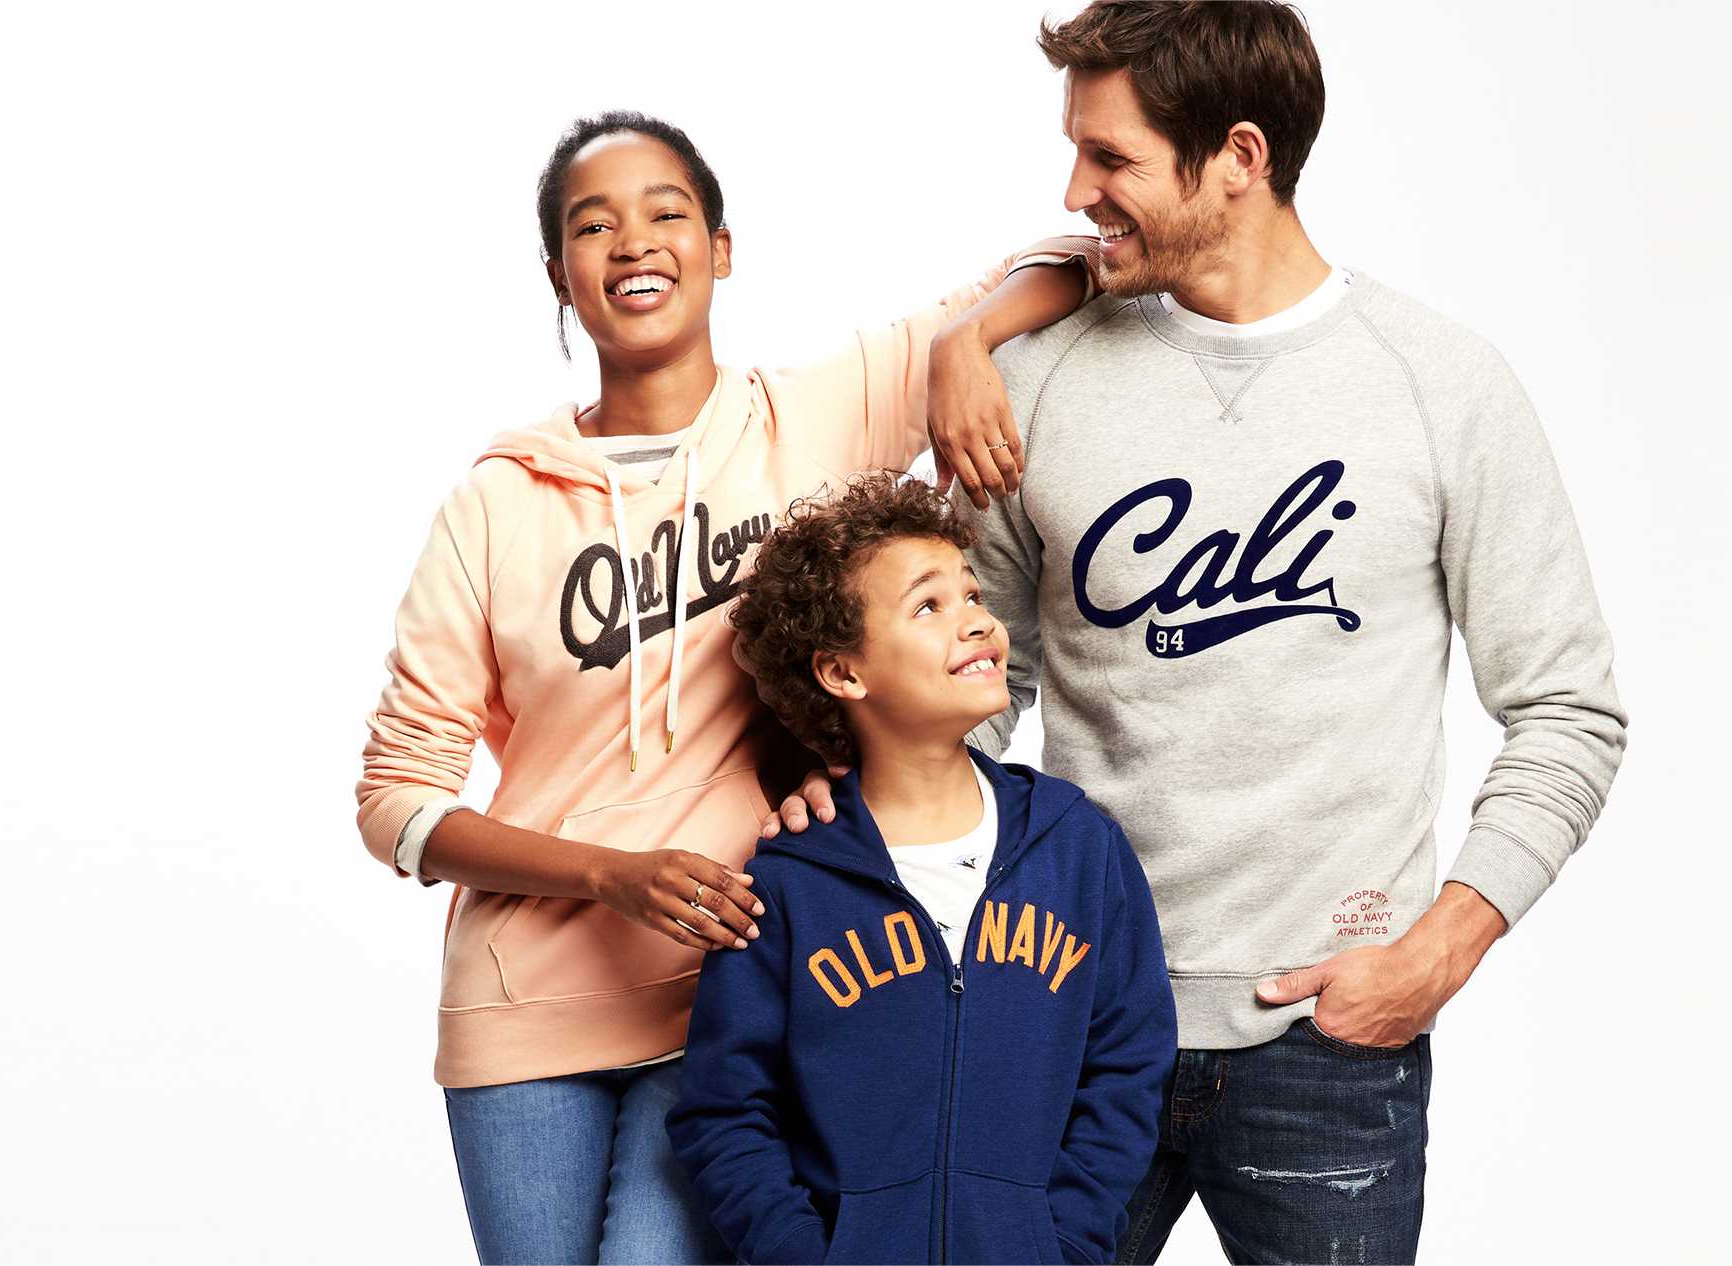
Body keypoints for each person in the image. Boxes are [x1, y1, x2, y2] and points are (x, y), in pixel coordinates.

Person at [765, 5, 1629, 1263]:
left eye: (1111, 160)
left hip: (1329, 1049)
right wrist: (855, 824)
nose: (1077, 190)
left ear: (1238, 155)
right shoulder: (1041, 377)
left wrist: (1439, 952)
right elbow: (968, 682)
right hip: (1054, 1011)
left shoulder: (1441, 387)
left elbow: (1570, 709)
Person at [354, 110, 1100, 1264]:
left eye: (667, 215)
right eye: (592, 227)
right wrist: (605, 875)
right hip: (521, 1011)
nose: (633, 244)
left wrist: (964, 347)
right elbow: (397, 802)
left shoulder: (812, 414)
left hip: (728, 994)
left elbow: (1070, 260)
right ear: (559, 273)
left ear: (721, 246)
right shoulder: (494, 505)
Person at [667, 472, 1175, 1265]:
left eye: (973, 597)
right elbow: (725, 1113)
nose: (974, 622)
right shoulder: (789, 884)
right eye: (928, 607)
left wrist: (1064, 1245)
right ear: (843, 673)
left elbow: (1127, 1068)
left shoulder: (1078, 850)